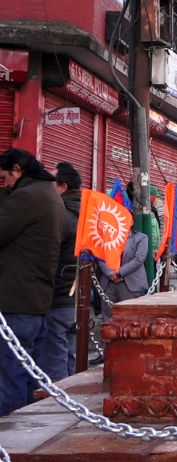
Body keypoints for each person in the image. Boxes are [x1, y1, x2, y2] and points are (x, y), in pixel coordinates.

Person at [0, 149, 65, 416]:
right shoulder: (49, 194)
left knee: (9, 374)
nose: (5, 185)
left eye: (5, 179)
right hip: (36, 298)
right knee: (27, 372)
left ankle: (9, 438)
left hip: (16, 298)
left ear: (18, 169)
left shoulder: (27, 196)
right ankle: (24, 431)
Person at [35, 162, 82, 381]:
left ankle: (56, 405)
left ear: (62, 186)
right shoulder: (85, 214)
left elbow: (46, 254)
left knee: (53, 360)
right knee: (68, 356)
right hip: (77, 297)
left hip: (59, 295)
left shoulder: (60, 215)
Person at [95, 226, 148, 321]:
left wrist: (119, 273)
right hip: (108, 282)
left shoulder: (141, 238)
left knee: (129, 319)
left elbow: (138, 259)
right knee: (108, 319)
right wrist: (110, 273)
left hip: (130, 282)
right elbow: (100, 256)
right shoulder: (105, 237)